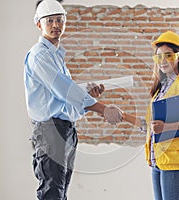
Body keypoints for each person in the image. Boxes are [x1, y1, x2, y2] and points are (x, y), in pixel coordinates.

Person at [23, 0, 122, 199]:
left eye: (59, 20)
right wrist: (102, 109)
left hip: (65, 129)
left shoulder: (57, 57)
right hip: (50, 131)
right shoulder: (40, 56)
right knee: (52, 192)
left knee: (60, 192)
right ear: (39, 24)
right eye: (49, 21)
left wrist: (88, 98)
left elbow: (65, 102)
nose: (55, 25)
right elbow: (65, 92)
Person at [122, 31, 179, 200]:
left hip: (173, 161)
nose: (163, 61)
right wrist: (123, 116)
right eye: (159, 57)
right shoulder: (160, 89)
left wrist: (167, 127)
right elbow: (150, 126)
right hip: (158, 160)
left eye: (168, 55)